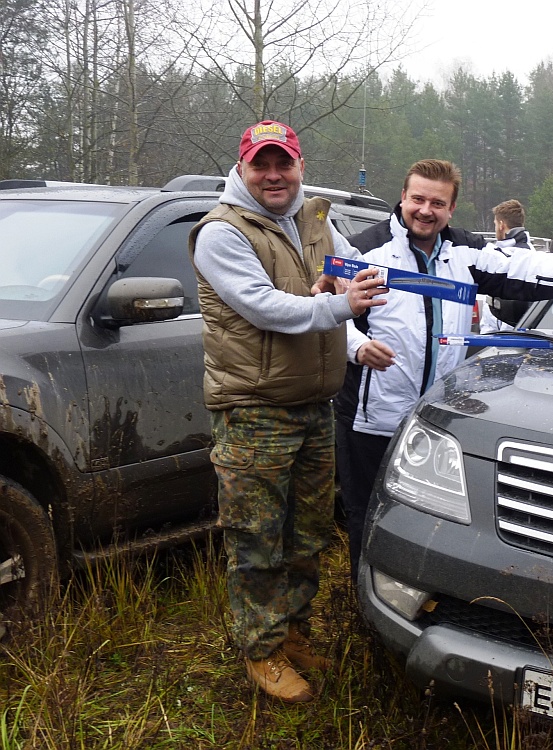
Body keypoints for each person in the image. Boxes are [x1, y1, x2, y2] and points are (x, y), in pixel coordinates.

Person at [320, 159, 553, 581]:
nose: (426, 211)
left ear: (452, 208)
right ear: (402, 197)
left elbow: (519, 265)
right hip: (370, 419)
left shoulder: (464, 250)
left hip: (434, 417)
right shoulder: (364, 249)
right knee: (366, 514)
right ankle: (363, 595)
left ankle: (417, 595)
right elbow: (330, 307)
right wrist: (357, 347)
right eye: (418, 199)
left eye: (437, 203)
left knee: (427, 516)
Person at [189, 120, 388, 703]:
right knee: (257, 538)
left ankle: (291, 633)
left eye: (284, 164)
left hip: (314, 406)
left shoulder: (317, 219)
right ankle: (261, 651)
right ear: (242, 168)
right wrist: (341, 305)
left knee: (309, 534)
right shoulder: (221, 232)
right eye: (262, 165)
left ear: (300, 166)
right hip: (254, 409)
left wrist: (355, 287)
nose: (274, 176)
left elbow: (353, 270)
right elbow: (265, 307)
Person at [479, 199, 534, 333]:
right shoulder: (527, 252)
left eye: (495, 224)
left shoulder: (518, 255)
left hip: (507, 329)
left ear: (501, 225)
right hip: (497, 325)